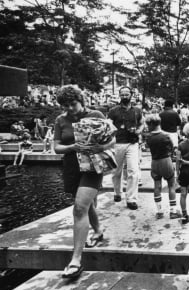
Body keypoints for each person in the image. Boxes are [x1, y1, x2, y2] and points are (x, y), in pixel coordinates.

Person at [53, 85, 115, 279]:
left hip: (92, 166)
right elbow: (56, 147)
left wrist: (100, 146)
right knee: (85, 206)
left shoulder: (95, 114)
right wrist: (72, 146)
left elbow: (112, 140)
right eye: (66, 105)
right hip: (71, 166)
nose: (70, 108)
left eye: (73, 104)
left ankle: (75, 260)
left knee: (79, 207)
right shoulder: (60, 120)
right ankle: (98, 230)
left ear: (81, 100)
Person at [108, 86, 144, 209]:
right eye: (122, 94)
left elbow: (142, 123)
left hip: (132, 143)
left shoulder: (137, 111)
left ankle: (131, 199)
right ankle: (117, 192)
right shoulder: (113, 111)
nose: (124, 96)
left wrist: (138, 131)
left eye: (126, 94)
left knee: (133, 171)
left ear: (131, 95)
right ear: (119, 96)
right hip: (117, 143)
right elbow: (108, 125)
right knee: (116, 171)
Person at [145, 114, 180, 219]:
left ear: (150, 125)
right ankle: (173, 211)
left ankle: (159, 212)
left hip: (155, 162)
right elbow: (172, 147)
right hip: (166, 161)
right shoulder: (166, 136)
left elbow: (147, 147)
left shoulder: (149, 137)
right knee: (171, 186)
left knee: (157, 186)